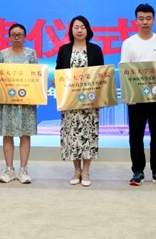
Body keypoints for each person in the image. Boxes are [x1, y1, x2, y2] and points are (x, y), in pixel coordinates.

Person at [120, 3, 156, 187]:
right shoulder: (129, 43)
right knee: (135, 136)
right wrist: (128, 95)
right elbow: (125, 70)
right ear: (136, 21)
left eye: (148, 18)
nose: (145, 22)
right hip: (136, 99)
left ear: (154, 20)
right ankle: (137, 171)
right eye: (141, 19)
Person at [55, 15, 104, 187]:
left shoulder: (95, 50)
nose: (79, 30)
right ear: (71, 30)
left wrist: (100, 98)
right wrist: (56, 81)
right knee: (72, 135)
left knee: (88, 135)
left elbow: (102, 76)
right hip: (70, 102)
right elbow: (59, 72)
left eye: (83, 27)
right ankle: (76, 171)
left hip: (90, 102)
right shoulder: (64, 50)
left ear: (88, 29)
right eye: (76, 27)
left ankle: (86, 172)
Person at [0, 23, 38, 185]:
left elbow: (37, 76)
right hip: (7, 100)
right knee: (7, 133)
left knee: (25, 134)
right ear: (9, 37)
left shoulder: (31, 53)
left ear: (25, 36)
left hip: (25, 101)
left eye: (20, 34)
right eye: (13, 34)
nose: (16, 37)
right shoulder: (3, 54)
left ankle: (23, 170)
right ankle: (9, 169)